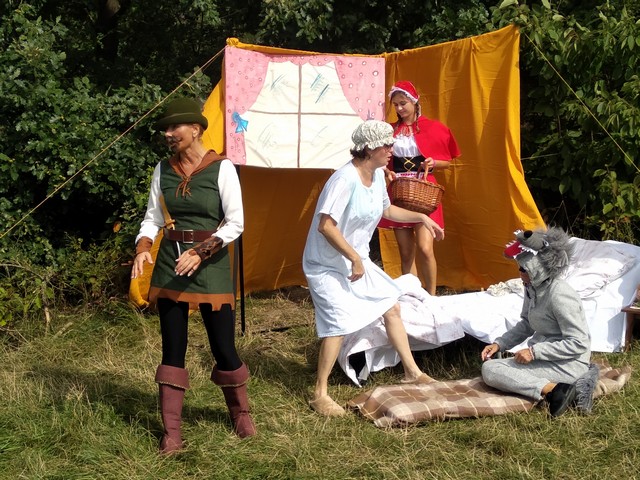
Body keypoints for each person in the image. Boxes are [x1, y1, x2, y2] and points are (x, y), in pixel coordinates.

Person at [131, 97, 256, 453]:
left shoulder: (222, 168)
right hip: (171, 265)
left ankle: (240, 413)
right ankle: (171, 432)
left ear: (196, 129)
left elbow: (236, 223)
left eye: (175, 127)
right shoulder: (163, 169)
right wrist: (143, 247)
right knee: (173, 347)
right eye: (166, 129)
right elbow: (153, 217)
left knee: (223, 346)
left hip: (211, 265)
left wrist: (201, 252)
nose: (168, 134)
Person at [303, 120, 445, 417]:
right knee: (338, 322)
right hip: (326, 263)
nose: (391, 149)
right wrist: (353, 257)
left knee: (391, 306)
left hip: (357, 259)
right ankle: (319, 393)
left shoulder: (378, 174)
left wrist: (421, 217)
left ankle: (412, 372)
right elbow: (326, 226)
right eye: (386, 145)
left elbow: (386, 210)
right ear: (369, 149)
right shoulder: (344, 179)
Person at [480, 227, 592, 417]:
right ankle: (555, 389)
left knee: (491, 370)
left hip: (569, 363)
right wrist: (500, 344)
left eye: (524, 268)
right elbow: (527, 323)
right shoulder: (532, 286)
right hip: (547, 358)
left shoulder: (560, 294)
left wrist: (535, 352)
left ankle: (555, 390)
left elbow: (579, 343)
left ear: (538, 268)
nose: (520, 272)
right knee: (492, 368)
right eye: (519, 267)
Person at [378, 80, 460, 295]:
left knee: (425, 248)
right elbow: (381, 160)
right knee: (406, 252)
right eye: (395, 104)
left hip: (424, 190)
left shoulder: (433, 128)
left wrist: (433, 162)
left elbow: (447, 161)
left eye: (403, 103)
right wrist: (386, 172)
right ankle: (412, 296)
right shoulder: (389, 131)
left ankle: (431, 296)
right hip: (399, 191)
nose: (399, 108)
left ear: (414, 102)